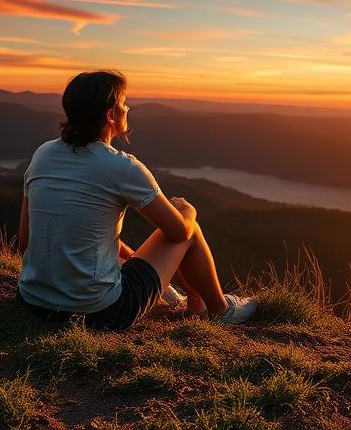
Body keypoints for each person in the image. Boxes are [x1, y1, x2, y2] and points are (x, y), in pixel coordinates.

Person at [16, 70, 257, 328]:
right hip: (99, 312)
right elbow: (178, 233)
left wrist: (127, 255)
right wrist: (188, 211)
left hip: (33, 302)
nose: (127, 107)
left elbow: (25, 241)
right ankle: (219, 310)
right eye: (123, 103)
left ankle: (196, 306)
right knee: (189, 228)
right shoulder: (121, 167)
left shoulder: (43, 155)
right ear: (110, 116)